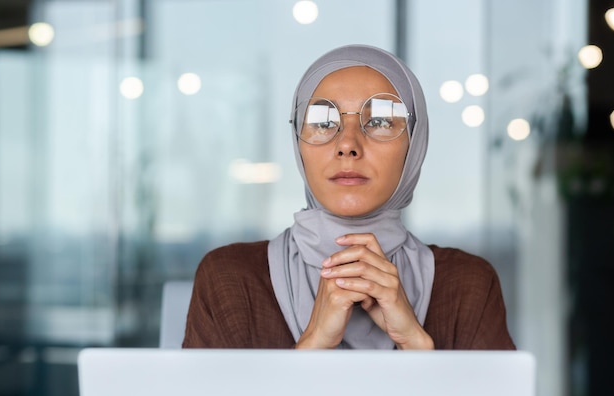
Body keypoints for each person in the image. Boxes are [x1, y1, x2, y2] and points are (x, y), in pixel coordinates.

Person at [183, 44, 515, 350]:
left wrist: (415, 342)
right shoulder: (229, 281)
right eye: (322, 121)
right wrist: (313, 345)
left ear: (414, 144)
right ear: (298, 140)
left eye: (382, 120)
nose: (348, 144)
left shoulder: (469, 287)